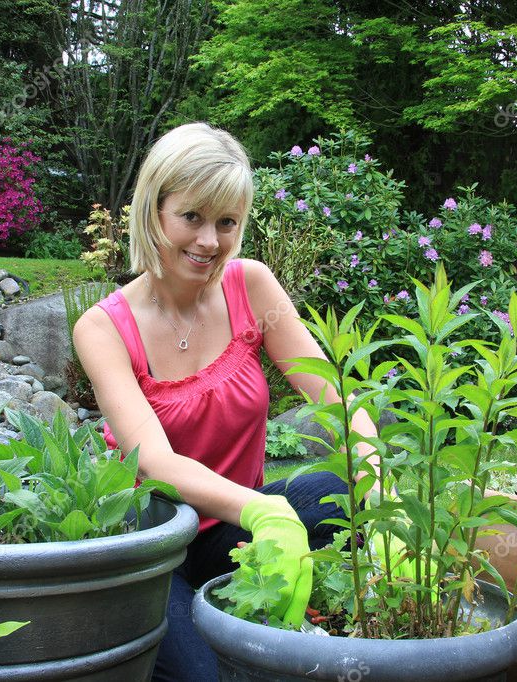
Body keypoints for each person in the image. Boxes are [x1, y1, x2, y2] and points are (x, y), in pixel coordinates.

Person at [72, 122, 377, 682]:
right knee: (209, 677)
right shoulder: (103, 328)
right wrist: (261, 509)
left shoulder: (251, 286)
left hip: (229, 534)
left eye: (227, 222)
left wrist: (380, 482)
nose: (210, 241)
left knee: (339, 490)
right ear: (154, 210)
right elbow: (152, 463)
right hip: (151, 548)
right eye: (192, 217)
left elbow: (337, 397)